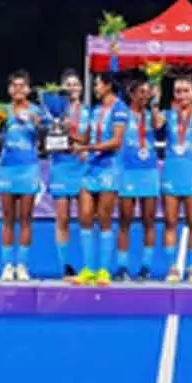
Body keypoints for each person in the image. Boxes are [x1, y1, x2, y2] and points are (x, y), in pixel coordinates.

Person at [157, 74, 192, 283]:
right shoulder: (168, 114)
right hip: (171, 171)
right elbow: (155, 124)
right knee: (170, 222)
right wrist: (155, 100)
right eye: (178, 91)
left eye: (186, 91)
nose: (182, 95)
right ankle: (172, 267)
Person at [72, 72, 126, 286]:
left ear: (108, 86)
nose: (95, 88)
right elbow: (85, 137)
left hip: (109, 168)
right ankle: (88, 269)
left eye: (97, 84)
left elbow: (116, 142)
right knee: (85, 217)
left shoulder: (120, 109)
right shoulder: (95, 110)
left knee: (104, 218)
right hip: (91, 168)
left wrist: (87, 147)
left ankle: (103, 270)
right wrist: (65, 132)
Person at [0, 71, 46, 281]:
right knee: (7, 219)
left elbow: (44, 139)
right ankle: (8, 265)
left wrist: (38, 124)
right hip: (7, 169)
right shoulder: (1, 111)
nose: (18, 89)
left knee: (26, 218)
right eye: (14, 86)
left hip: (28, 168)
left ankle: (22, 265)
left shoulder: (37, 111)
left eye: (22, 86)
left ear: (28, 89)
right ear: (9, 90)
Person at [41, 70, 88, 279]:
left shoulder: (88, 112)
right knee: (62, 218)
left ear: (81, 88)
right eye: (68, 84)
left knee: (86, 217)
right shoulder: (51, 112)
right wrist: (55, 129)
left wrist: (81, 142)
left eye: (75, 84)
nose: (72, 88)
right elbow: (45, 143)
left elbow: (92, 137)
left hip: (82, 166)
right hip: (60, 165)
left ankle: (89, 264)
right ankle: (65, 265)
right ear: (62, 88)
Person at [115, 75, 158, 282]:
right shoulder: (122, 115)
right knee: (125, 221)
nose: (145, 96)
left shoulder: (152, 115)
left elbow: (158, 125)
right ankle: (122, 267)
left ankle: (146, 267)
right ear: (131, 94)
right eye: (141, 92)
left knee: (148, 221)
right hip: (128, 171)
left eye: (148, 93)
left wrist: (155, 104)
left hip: (149, 172)